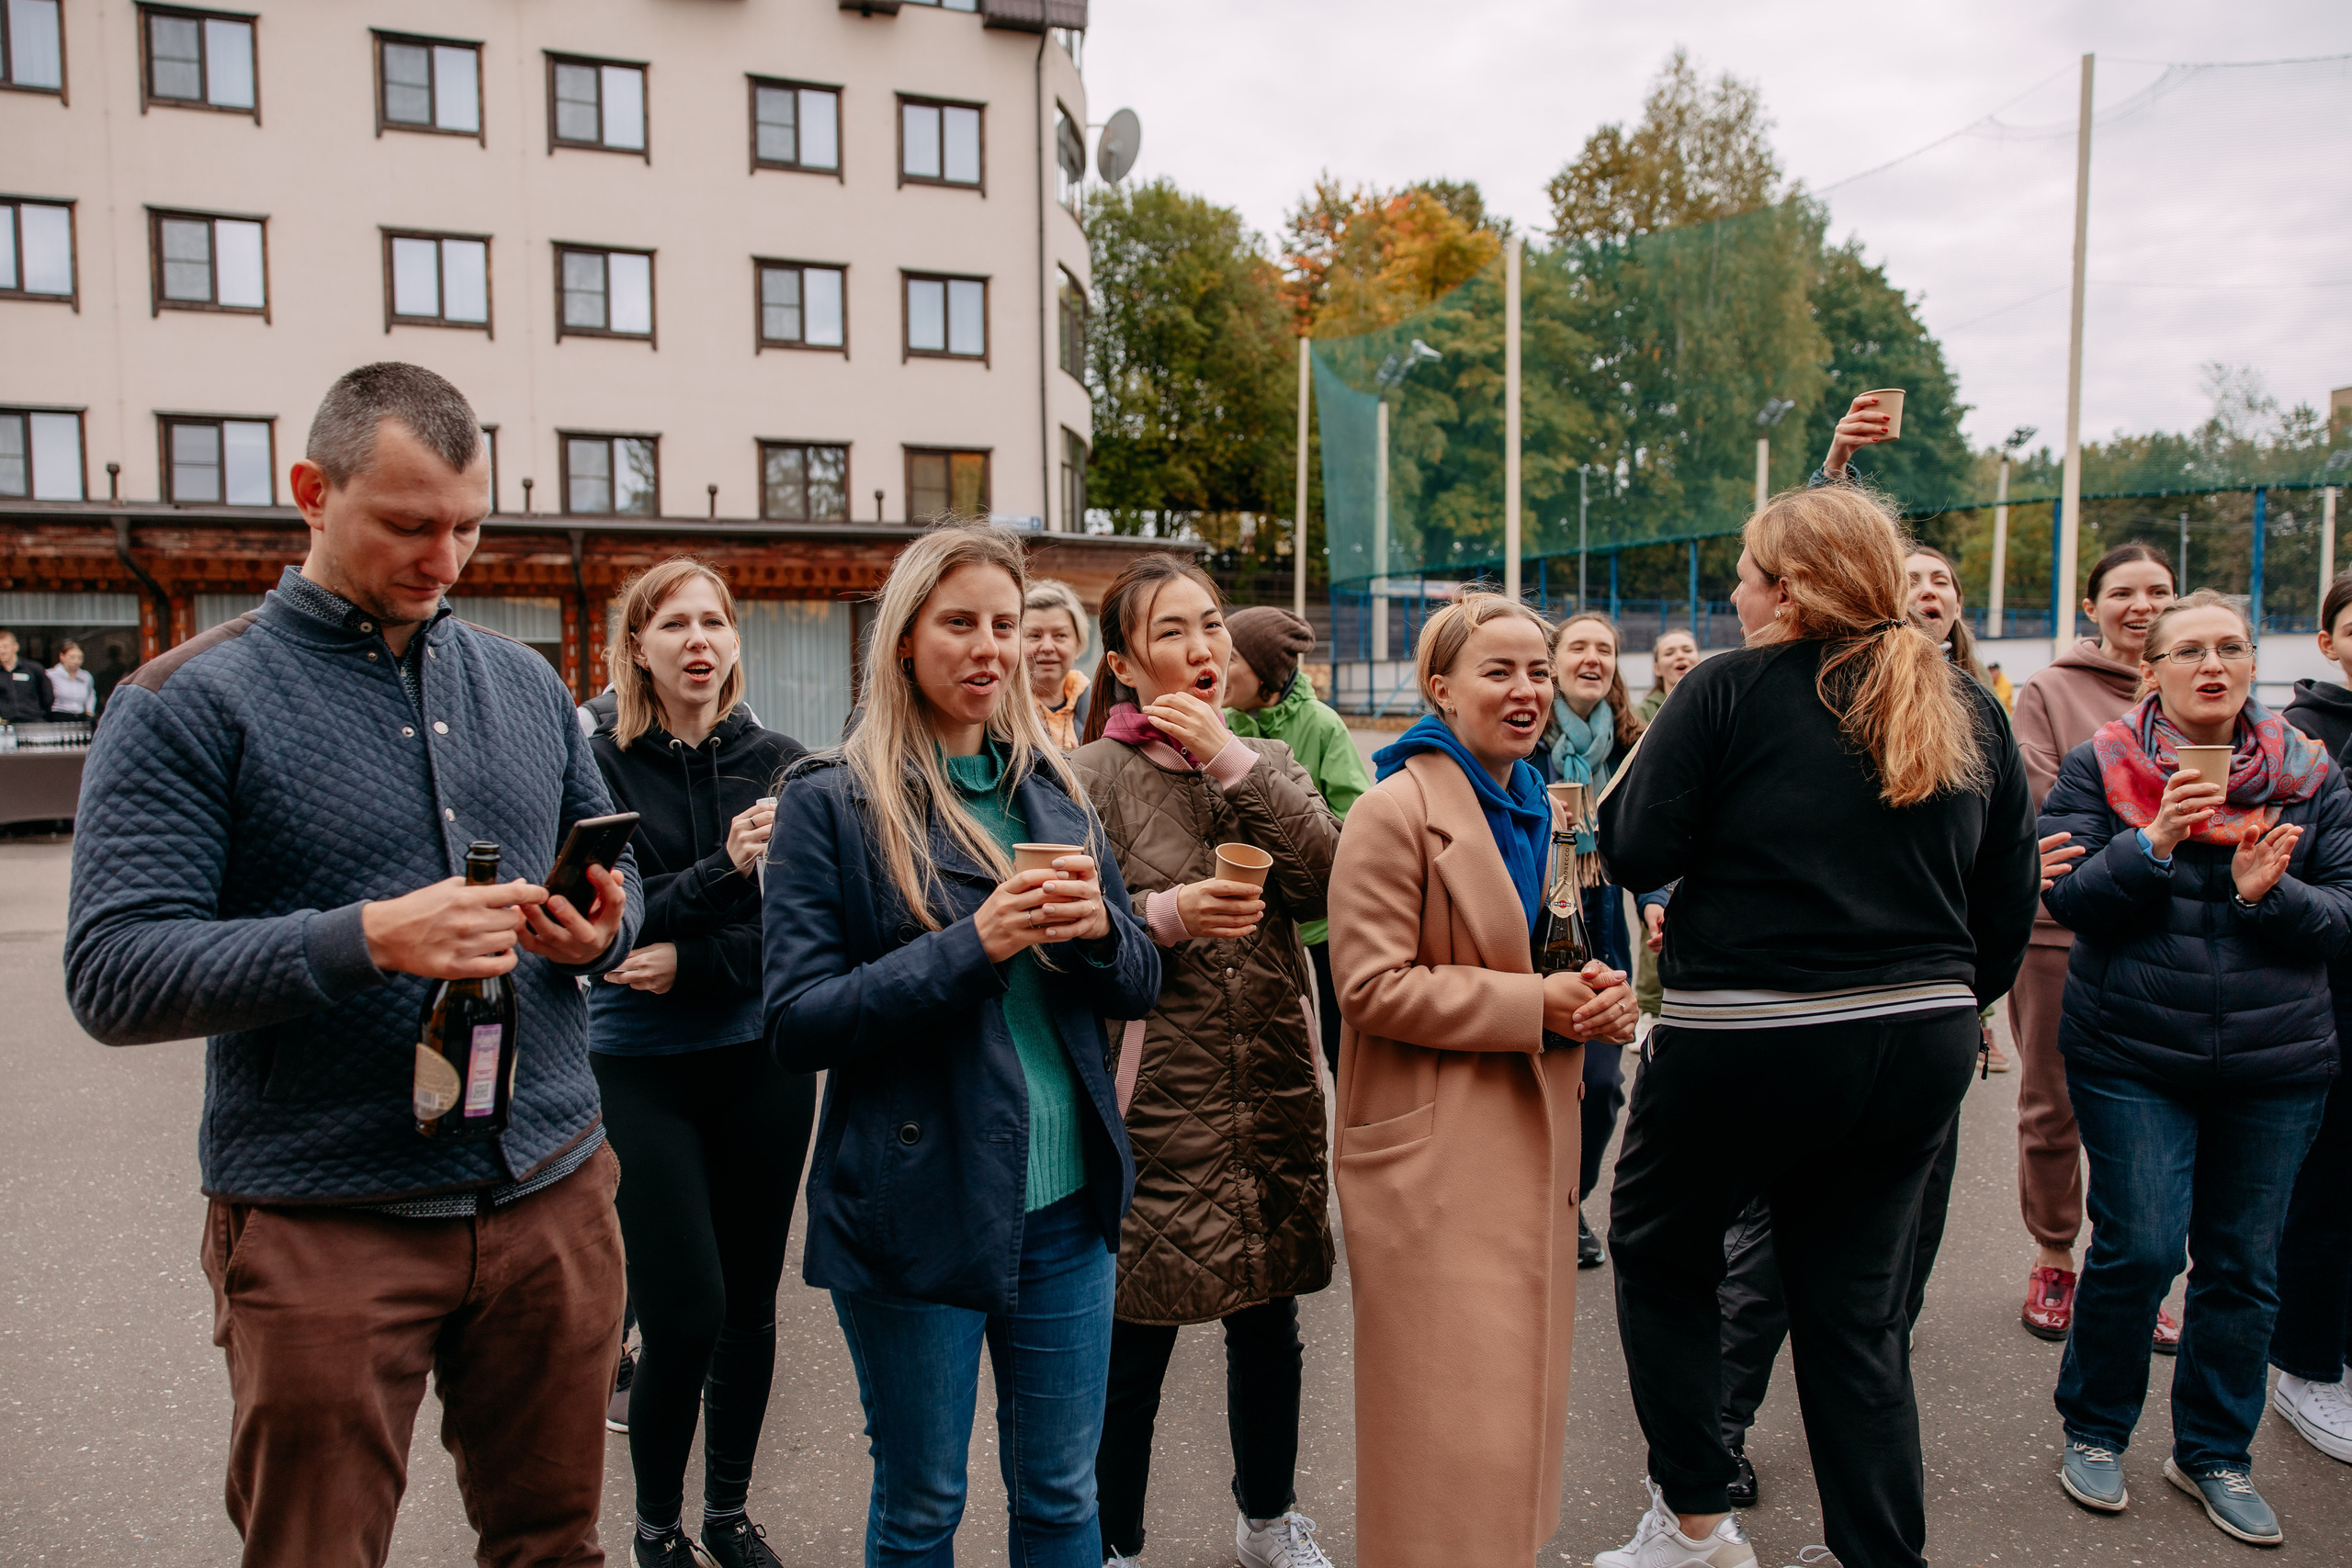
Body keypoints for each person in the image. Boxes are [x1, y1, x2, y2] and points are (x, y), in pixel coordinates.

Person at [62, 362, 639, 1568]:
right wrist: (368, 936)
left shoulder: (528, 684)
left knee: (555, 1545)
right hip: (327, 1217)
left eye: (470, 526)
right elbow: (114, 973)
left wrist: (603, 935)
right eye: (409, 525)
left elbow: (605, 892)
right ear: (310, 492)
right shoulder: (184, 702)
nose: (446, 560)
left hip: (550, 1191)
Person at [1596, 484, 2039, 1568]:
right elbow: (2008, 894)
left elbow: (1634, 848)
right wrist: (1942, 998)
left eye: (1745, 576)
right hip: (1916, 1043)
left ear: (1784, 592)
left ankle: (1695, 1526)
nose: (1735, 594)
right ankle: (1880, 1555)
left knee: (1660, 1255)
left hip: (1748, 1035)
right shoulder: (1963, 701)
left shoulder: (1728, 689)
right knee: (1854, 1317)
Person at [763, 522, 1160, 1568]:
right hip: (917, 1200)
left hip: (1067, 1201)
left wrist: (1097, 934)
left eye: (1003, 623)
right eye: (958, 624)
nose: (989, 647)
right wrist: (972, 947)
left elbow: (1141, 980)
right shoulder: (831, 802)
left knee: (1062, 1494)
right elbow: (799, 1022)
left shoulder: (1054, 788)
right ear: (903, 640)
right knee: (922, 1502)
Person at [2037, 589, 2352, 1546]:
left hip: (2275, 1060)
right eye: (2189, 652)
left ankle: (2212, 1452)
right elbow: (2072, 903)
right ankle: (2094, 1430)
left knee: (2243, 1268)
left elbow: (2341, 916)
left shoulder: (2311, 772)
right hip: (2133, 1053)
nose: (2211, 665)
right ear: (2152, 671)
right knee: (2137, 1251)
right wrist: (2154, 843)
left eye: (2230, 648)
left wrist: (2270, 898)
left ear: (2254, 667)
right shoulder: (2101, 766)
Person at [1328, 590, 1634, 1567]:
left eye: (1536, 671)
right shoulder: (1392, 810)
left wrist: (1598, 996)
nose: (1526, 690)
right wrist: (1533, 1008)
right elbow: (1368, 987)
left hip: (1525, 1141)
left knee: (1509, 1409)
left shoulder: (1544, 805)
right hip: (1434, 1161)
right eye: (1497, 671)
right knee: (1441, 1426)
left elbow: (1556, 955)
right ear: (1439, 689)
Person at [1074, 562, 1343, 1568]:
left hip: (1268, 1086)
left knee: (1267, 1323)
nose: (1203, 649)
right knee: (1134, 1341)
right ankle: (1112, 1544)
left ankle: (1267, 1521)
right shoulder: (1084, 776)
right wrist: (1164, 916)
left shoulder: (1266, 756)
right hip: (1154, 1095)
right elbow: (1066, 940)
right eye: (1173, 632)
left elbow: (1328, 879)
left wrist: (1235, 761)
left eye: (1213, 627)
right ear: (1124, 666)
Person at [586, 558, 814, 1568]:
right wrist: (725, 871)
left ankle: (727, 1514)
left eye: (714, 620)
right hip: (636, 1068)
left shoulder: (784, 763)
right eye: (672, 622)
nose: (698, 639)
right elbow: (608, 929)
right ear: (636, 645)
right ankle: (655, 1528)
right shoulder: (593, 764)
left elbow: (804, 937)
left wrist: (687, 956)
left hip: (761, 1060)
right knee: (685, 1311)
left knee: (751, 1309)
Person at [2007, 542, 2177, 1346]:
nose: (2141, 606)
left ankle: (2130, 1271)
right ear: (2092, 605)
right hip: (2060, 931)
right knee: (2054, 1101)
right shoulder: (2047, 690)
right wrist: (2163, 827)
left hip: (2169, 931)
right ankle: (2053, 1254)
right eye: (2123, 592)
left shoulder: (2195, 681)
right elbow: (2053, 805)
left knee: (2150, 1104)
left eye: (2159, 591)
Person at [1222, 604, 1374, 1078]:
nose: (1214, 664)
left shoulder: (1321, 724)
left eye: (1231, 659)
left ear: (1266, 674)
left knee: (1341, 1043)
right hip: (1261, 919)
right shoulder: (1221, 723)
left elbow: (1358, 817)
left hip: (1329, 923)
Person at [2273, 568, 2352, 1463]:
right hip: (2323, 1004)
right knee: (2324, 1194)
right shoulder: (2298, 740)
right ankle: (2304, 1369)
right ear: (2325, 642)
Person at [1541, 611, 1645, 1269]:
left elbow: (1659, 840)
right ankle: (1534, 1200)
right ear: (1554, 661)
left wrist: (1659, 899)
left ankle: (1571, 1196)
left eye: (1604, 648)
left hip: (1604, 934)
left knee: (1603, 1086)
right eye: (1578, 645)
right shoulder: (1527, 734)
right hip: (1534, 933)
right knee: (1534, 1076)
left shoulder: (1635, 744)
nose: (1592, 656)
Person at [1026, 577, 1094, 750]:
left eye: (1060, 635)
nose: (1047, 647)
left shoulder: (1102, 708)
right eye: (1034, 636)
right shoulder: (997, 713)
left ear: (1078, 644)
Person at [1638, 629, 1699, 725]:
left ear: (1699, 661)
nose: (1680, 656)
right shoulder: (1641, 713)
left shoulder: (1717, 705)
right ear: (1657, 669)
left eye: (1687, 650)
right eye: (1669, 653)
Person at [0, 627, 54, 722]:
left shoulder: (33, 669)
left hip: (33, 723)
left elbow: (47, 696)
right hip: (6, 725)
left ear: (16, 647)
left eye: (5, 647)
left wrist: (40, 714)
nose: (2, 651)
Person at [46, 638, 96, 716]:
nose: (76, 661)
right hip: (58, 715)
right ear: (62, 656)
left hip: (80, 715)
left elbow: (91, 694)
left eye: (80, 658)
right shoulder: (51, 675)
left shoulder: (86, 676)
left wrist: (89, 710)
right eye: (72, 657)